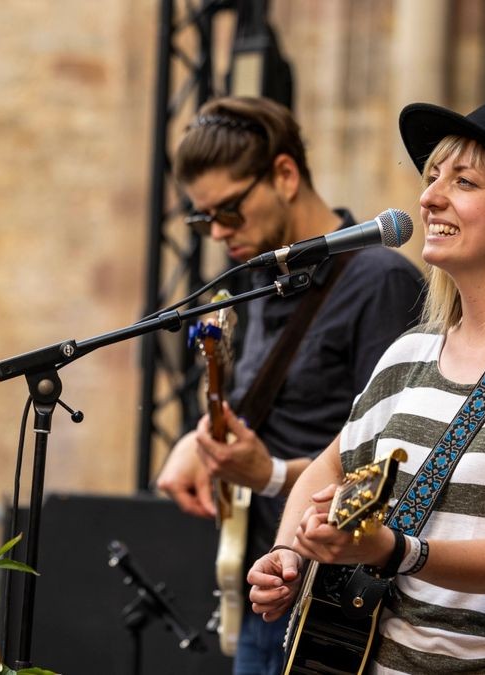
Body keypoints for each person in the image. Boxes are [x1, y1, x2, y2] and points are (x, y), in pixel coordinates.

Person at [247, 96, 485, 673]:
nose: (428, 197)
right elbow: (329, 470)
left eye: (464, 181)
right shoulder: (410, 354)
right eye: (431, 178)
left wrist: (393, 549)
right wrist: (287, 552)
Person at [154, 96, 424, 674]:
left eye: (229, 210)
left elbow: (396, 465)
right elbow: (265, 410)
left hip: (335, 607)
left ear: (285, 174)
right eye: (204, 221)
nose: (220, 232)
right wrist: (199, 442)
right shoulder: (262, 282)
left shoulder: (381, 281)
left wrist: (271, 474)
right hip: (263, 586)